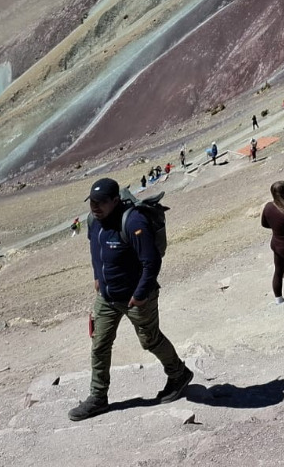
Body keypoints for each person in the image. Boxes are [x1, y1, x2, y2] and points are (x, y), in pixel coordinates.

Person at [70, 178, 193, 422]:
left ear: (115, 201)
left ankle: (178, 374)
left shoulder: (133, 221)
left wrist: (139, 295)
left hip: (136, 297)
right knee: (100, 344)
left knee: (150, 340)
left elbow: (151, 262)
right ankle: (98, 397)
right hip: (107, 297)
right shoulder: (93, 221)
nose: (95, 206)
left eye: (101, 202)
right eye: (92, 201)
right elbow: (96, 250)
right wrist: (97, 277)